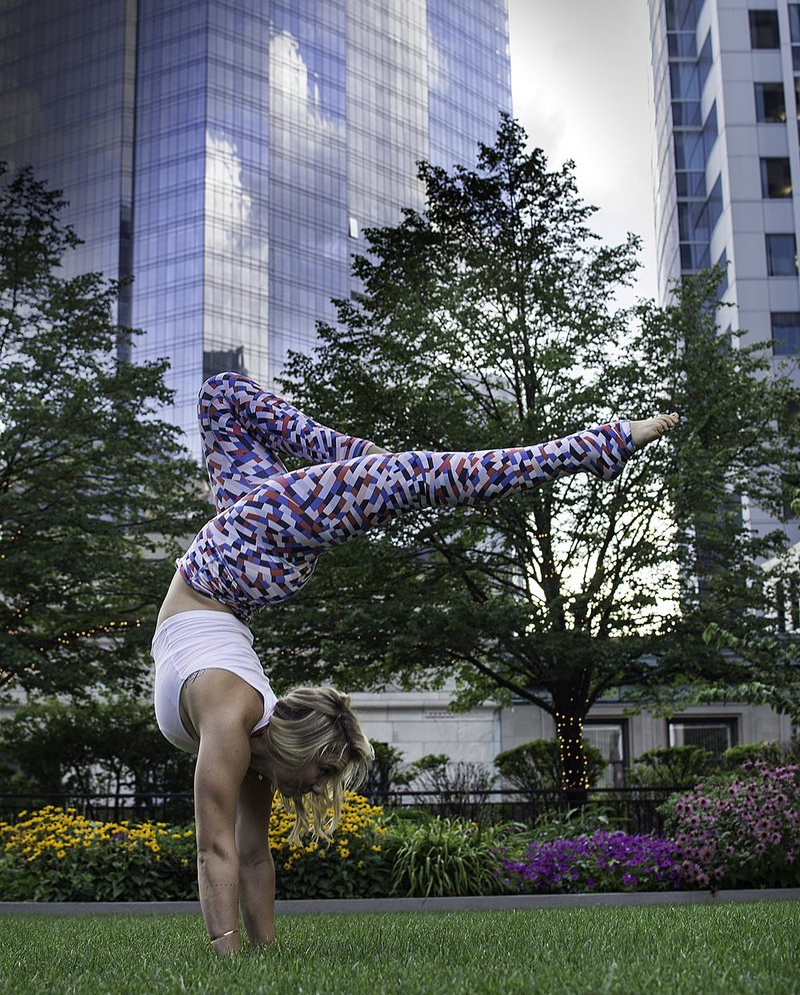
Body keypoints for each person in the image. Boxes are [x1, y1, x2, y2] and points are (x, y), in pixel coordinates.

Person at [152, 372, 679, 952]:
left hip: (249, 553)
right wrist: (229, 960)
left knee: (414, 471)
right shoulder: (237, 723)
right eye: (326, 772)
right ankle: (598, 445)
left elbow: (245, 854)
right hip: (258, 544)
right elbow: (220, 851)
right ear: (296, 745)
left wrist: (257, 959)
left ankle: (372, 460)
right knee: (436, 476)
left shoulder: (241, 732)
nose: (318, 787)